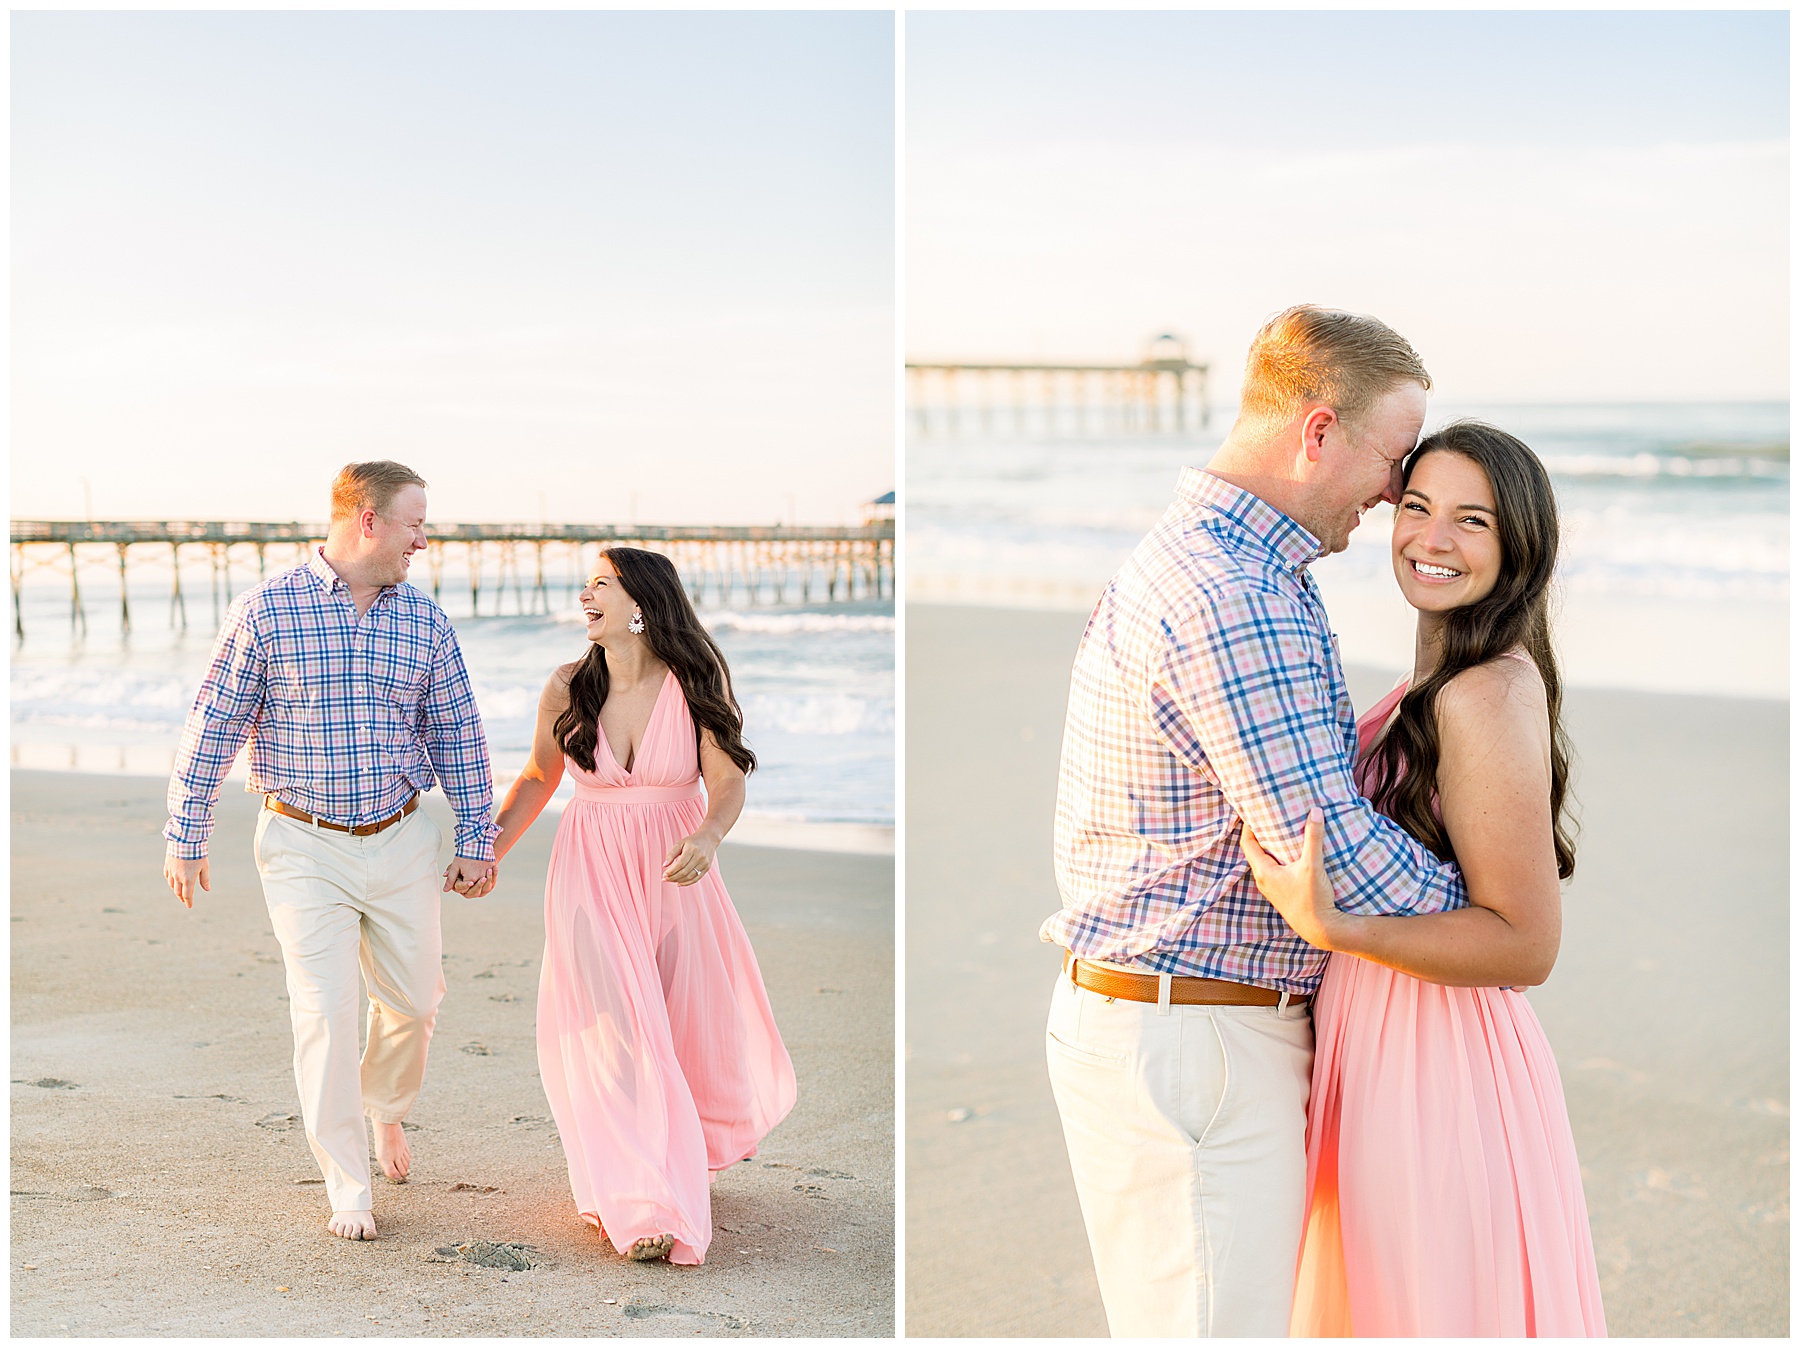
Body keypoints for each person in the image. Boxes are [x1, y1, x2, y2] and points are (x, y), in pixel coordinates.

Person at [1040, 305, 1474, 1337]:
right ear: (1319, 432)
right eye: (1394, 456)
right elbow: (1324, 854)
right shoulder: (1234, 590)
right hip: (1195, 1042)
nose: (1397, 492)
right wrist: (1492, 915)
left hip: (1183, 1028)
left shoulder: (1225, 563)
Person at [1240, 422, 1607, 1336]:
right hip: (1386, 1042)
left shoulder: (1484, 693)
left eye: (1471, 520)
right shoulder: (1437, 683)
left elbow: (1528, 942)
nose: (1432, 539)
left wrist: (1338, 931)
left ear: (1520, 543)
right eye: (1417, 506)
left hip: (1435, 1066)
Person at [163, 460, 498, 1242]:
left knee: (416, 1003)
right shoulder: (267, 611)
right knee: (324, 1012)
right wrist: (187, 833)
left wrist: (477, 840)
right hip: (301, 842)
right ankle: (348, 1184)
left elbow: (459, 735)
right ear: (370, 520)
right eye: (415, 522)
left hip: (403, 836)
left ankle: (384, 1111)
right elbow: (212, 725)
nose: (425, 537)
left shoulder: (425, 620)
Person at [491, 545, 795, 1265]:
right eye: (587, 584)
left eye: (603, 583)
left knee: (684, 1025)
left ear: (642, 603)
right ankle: (641, 1199)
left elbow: (724, 782)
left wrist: (709, 835)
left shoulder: (693, 681)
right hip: (590, 867)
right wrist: (487, 849)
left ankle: (686, 1152)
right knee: (617, 1029)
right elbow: (540, 776)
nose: (585, 594)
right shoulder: (568, 686)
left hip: (673, 869)